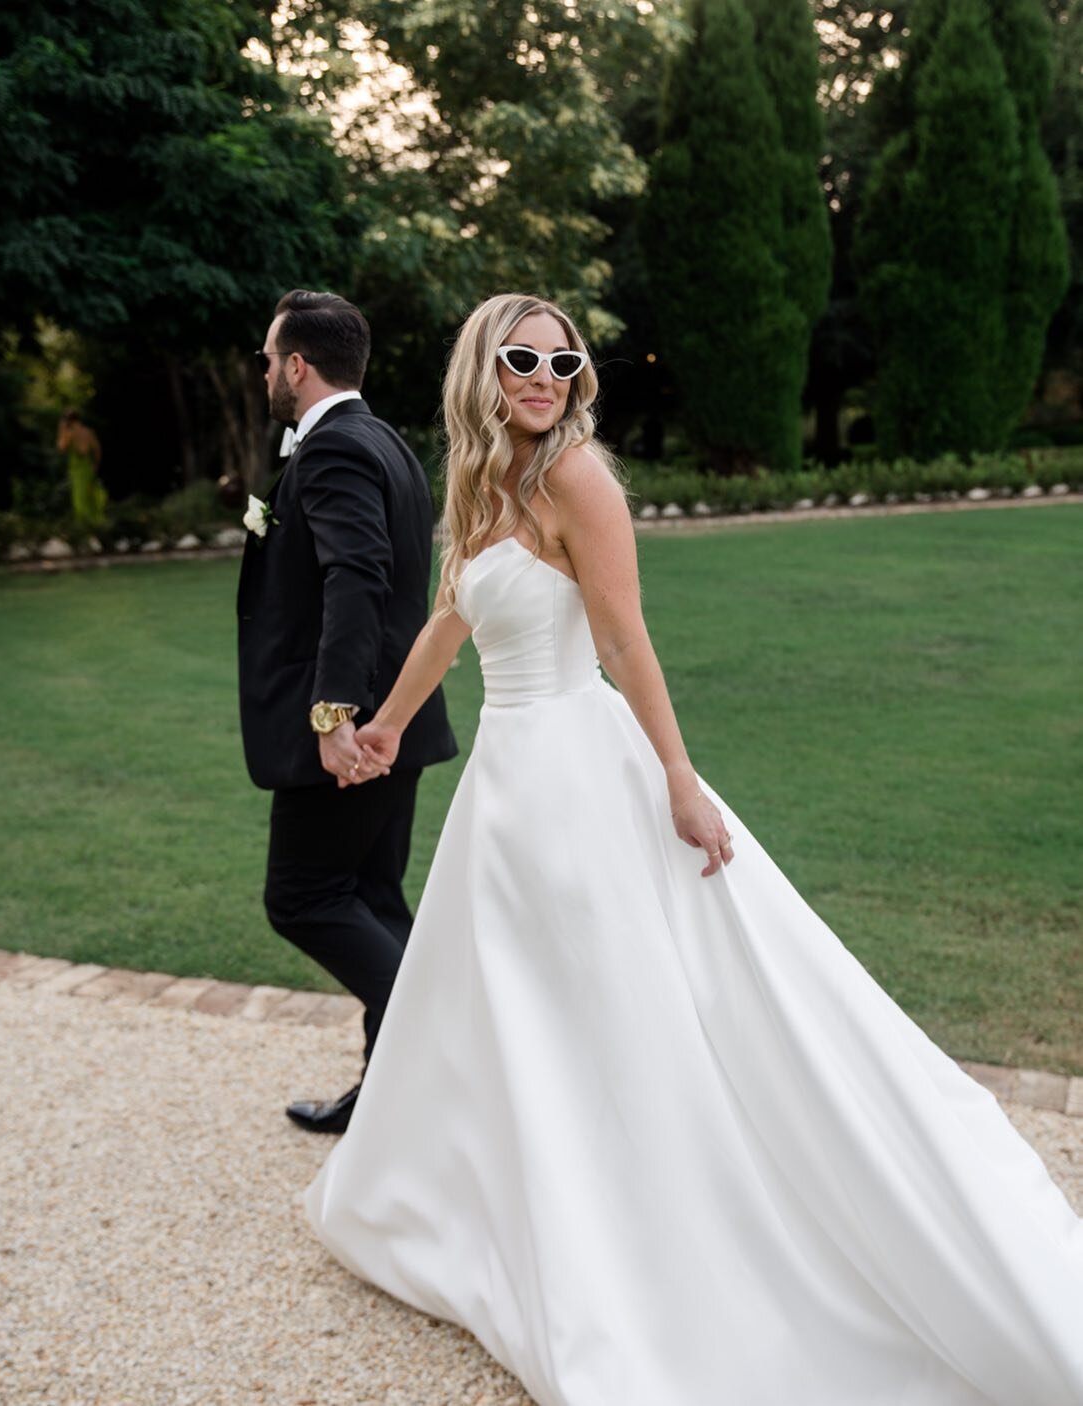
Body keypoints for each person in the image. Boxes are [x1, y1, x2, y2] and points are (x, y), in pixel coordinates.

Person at [302, 294, 1083, 1405]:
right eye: (521, 357)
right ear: (482, 367)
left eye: (561, 358)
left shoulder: (578, 477)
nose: (544, 374)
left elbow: (623, 637)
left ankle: (641, 1241)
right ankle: (511, 1211)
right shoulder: (481, 482)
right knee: (515, 1008)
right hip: (504, 791)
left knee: (610, 1002)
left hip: (579, 771)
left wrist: (677, 775)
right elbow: (447, 619)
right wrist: (381, 719)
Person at [236, 289, 456, 1134]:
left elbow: (357, 579)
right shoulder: (385, 442)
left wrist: (334, 719)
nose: (263, 372)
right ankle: (393, 1103)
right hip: (393, 724)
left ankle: (436, 1044)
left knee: (302, 897)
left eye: (267, 358)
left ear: (298, 364)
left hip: (358, 734)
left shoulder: (333, 453)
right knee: (372, 900)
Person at [56, 409, 107, 529]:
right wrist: (95, 465)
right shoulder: (88, 432)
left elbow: (61, 448)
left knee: (79, 498)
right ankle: (97, 524)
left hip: (77, 470)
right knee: (91, 496)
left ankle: (84, 527)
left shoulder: (70, 433)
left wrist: (61, 430)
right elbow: (97, 450)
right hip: (88, 468)